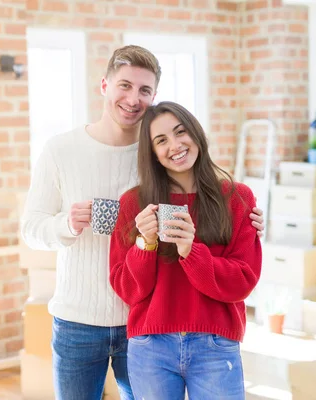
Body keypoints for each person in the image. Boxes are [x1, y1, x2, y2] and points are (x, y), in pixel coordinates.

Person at [21, 46, 264, 400]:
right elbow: (31, 228)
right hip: (80, 319)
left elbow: (210, 198)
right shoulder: (61, 149)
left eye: (144, 90)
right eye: (124, 85)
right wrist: (66, 226)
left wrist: (250, 219)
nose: (133, 98)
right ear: (104, 85)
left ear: (154, 97)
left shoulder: (161, 154)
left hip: (145, 321)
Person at [109, 101, 263, 400]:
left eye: (181, 132)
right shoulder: (133, 203)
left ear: (196, 133)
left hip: (215, 345)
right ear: (152, 153)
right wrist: (145, 243)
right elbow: (128, 290)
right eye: (161, 140)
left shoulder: (237, 197)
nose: (175, 145)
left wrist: (191, 251)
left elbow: (243, 281)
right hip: (150, 346)